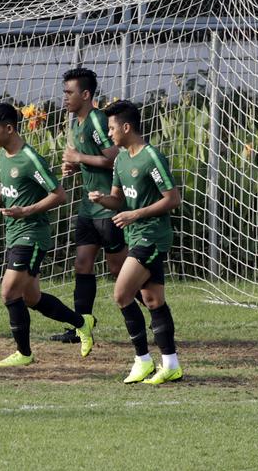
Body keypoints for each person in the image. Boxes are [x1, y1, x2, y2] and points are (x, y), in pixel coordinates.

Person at [0, 103, 95, 367]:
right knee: (31, 298)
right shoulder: (3, 154)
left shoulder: (30, 158)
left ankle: (24, 353)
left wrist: (27, 211)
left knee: (9, 292)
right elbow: (16, 189)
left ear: (9, 128)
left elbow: (59, 194)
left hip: (32, 234)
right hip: (15, 233)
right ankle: (82, 323)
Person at [88, 99, 185, 384]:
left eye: (112, 127)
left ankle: (142, 360)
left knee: (121, 294)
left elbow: (173, 198)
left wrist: (136, 214)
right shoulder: (120, 159)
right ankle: (171, 365)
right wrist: (103, 199)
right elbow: (118, 200)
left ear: (127, 127)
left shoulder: (151, 157)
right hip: (136, 235)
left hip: (153, 236)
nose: (109, 134)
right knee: (153, 300)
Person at [51, 68, 127, 343]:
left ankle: (154, 311)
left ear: (86, 94)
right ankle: (81, 326)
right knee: (82, 265)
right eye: (64, 92)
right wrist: (73, 165)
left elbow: (114, 157)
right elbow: (88, 159)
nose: (65, 98)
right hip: (88, 206)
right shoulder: (77, 124)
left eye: (69, 92)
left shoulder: (97, 120)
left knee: (120, 270)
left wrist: (79, 157)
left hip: (107, 206)